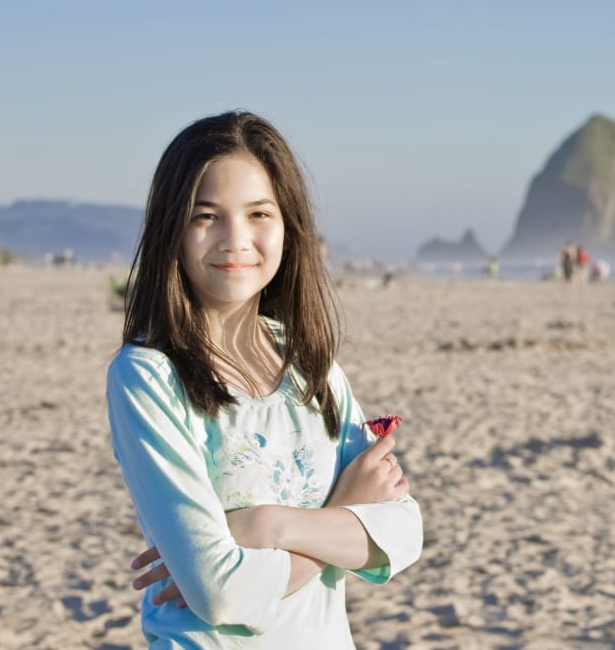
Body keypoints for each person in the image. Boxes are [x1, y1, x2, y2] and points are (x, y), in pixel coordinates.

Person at [106, 111, 422, 647]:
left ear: (287, 225)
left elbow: (404, 534)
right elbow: (219, 593)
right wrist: (340, 516)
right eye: (206, 216)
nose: (236, 240)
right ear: (172, 230)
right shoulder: (147, 376)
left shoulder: (308, 362)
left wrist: (265, 526)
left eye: (258, 213)